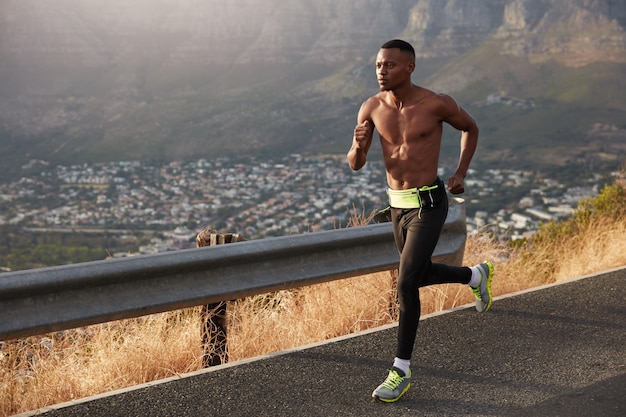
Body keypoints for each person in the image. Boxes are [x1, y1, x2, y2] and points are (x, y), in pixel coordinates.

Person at [347, 39, 494, 403]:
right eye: (379, 65)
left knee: (406, 281)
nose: (382, 71)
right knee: (422, 273)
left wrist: (461, 172)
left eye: (390, 65)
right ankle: (474, 276)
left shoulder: (436, 103)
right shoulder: (371, 107)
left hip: (429, 203)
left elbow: (471, 128)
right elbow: (356, 162)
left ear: (410, 67)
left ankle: (401, 370)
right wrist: (357, 143)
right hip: (397, 207)